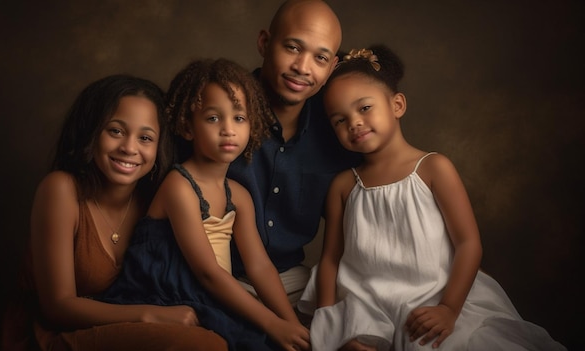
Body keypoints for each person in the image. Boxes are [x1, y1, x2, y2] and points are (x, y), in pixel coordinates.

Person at [297, 45, 567, 351]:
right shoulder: (344, 185)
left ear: (397, 104)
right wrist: (332, 324)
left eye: (364, 108)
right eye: (339, 120)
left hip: (436, 299)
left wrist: (449, 309)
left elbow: (468, 243)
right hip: (370, 310)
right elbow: (331, 259)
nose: (354, 123)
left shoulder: (433, 168)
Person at [0, 74, 227, 351]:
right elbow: (56, 307)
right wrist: (148, 315)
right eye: (116, 131)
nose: (129, 148)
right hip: (51, 334)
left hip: (121, 330)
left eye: (145, 138)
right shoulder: (62, 189)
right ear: (92, 132)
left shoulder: (155, 200)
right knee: (203, 345)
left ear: (159, 147)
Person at [99, 58, 310, 351]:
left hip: (210, 297)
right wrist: (272, 324)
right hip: (168, 295)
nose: (228, 129)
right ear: (187, 126)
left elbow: (260, 266)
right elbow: (207, 273)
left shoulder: (238, 195)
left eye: (239, 118)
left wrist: (291, 324)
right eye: (213, 118)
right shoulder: (179, 185)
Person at [227, 0, 362, 306]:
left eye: (320, 57)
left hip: (292, 279)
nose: (302, 67)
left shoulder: (339, 130)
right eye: (292, 47)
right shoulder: (220, 110)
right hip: (213, 276)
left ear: (332, 68)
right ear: (264, 43)